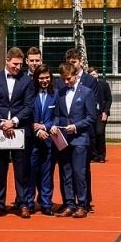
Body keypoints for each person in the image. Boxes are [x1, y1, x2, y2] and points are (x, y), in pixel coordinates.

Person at [0, 47, 34, 218]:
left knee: (22, 170)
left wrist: (14, 122)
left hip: (20, 130)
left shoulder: (26, 80)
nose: (17, 67)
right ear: (7, 61)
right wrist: (2, 123)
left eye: (20, 64)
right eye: (14, 64)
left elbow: (29, 106)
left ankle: (23, 203)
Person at [52, 63, 96, 217]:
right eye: (63, 79)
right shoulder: (59, 93)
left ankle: (82, 204)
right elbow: (57, 115)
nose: (66, 82)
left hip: (80, 139)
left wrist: (76, 126)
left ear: (76, 75)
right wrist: (54, 125)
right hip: (63, 139)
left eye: (69, 78)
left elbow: (91, 117)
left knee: (79, 172)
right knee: (66, 172)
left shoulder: (86, 92)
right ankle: (69, 203)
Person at [28, 67, 60, 216]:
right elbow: (26, 115)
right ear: (36, 78)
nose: (44, 81)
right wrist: (37, 130)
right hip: (32, 140)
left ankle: (46, 203)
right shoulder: (30, 94)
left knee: (47, 173)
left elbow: (58, 115)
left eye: (47, 77)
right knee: (31, 172)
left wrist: (46, 127)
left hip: (49, 140)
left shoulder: (55, 94)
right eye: (41, 78)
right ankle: (29, 203)